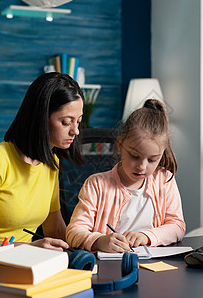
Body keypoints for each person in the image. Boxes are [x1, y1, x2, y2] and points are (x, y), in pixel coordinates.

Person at [0, 72, 84, 251]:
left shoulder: (50, 161)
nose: (75, 131)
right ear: (40, 118)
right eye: (66, 122)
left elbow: (54, 228)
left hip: (28, 262)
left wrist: (93, 242)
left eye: (78, 121)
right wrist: (27, 247)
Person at [66, 99, 186, 252]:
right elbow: (73, 231)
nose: (142, 166)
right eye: (135, 156)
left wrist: (147, 236)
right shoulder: (96, 184)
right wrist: (99, 241)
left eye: (152, 160)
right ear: (120, 145)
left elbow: (177, 225)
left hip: (153, 264)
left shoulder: (164, 180)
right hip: (109, 266)